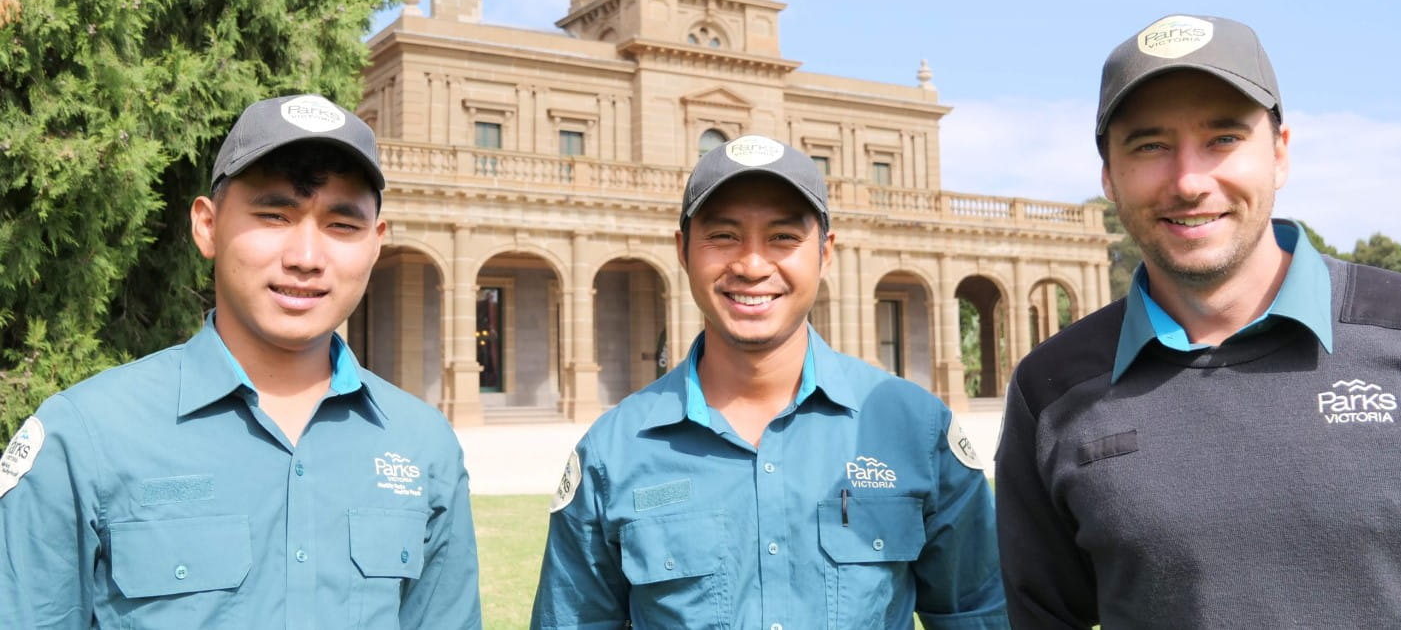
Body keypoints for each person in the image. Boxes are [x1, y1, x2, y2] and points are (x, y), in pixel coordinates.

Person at [994, 14, 1401, 628]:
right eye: (1150, 145)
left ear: (1280, 154)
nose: (1189, 181)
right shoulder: (1051, 389)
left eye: (1223, 139)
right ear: (1108, 177)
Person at [0, 94, 482, 628]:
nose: (305, 257)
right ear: (207, 226)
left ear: (375, 244)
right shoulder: (86, 436)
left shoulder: (422, 444)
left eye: (342, 226)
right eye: (274, 216)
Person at [531, 134, 1006, 629]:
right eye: (723, 236)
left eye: (783, 237)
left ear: (824, 254)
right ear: (683, 251)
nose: (752, 265)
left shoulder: (916, 429)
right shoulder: (614, 452)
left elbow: (980, 613)